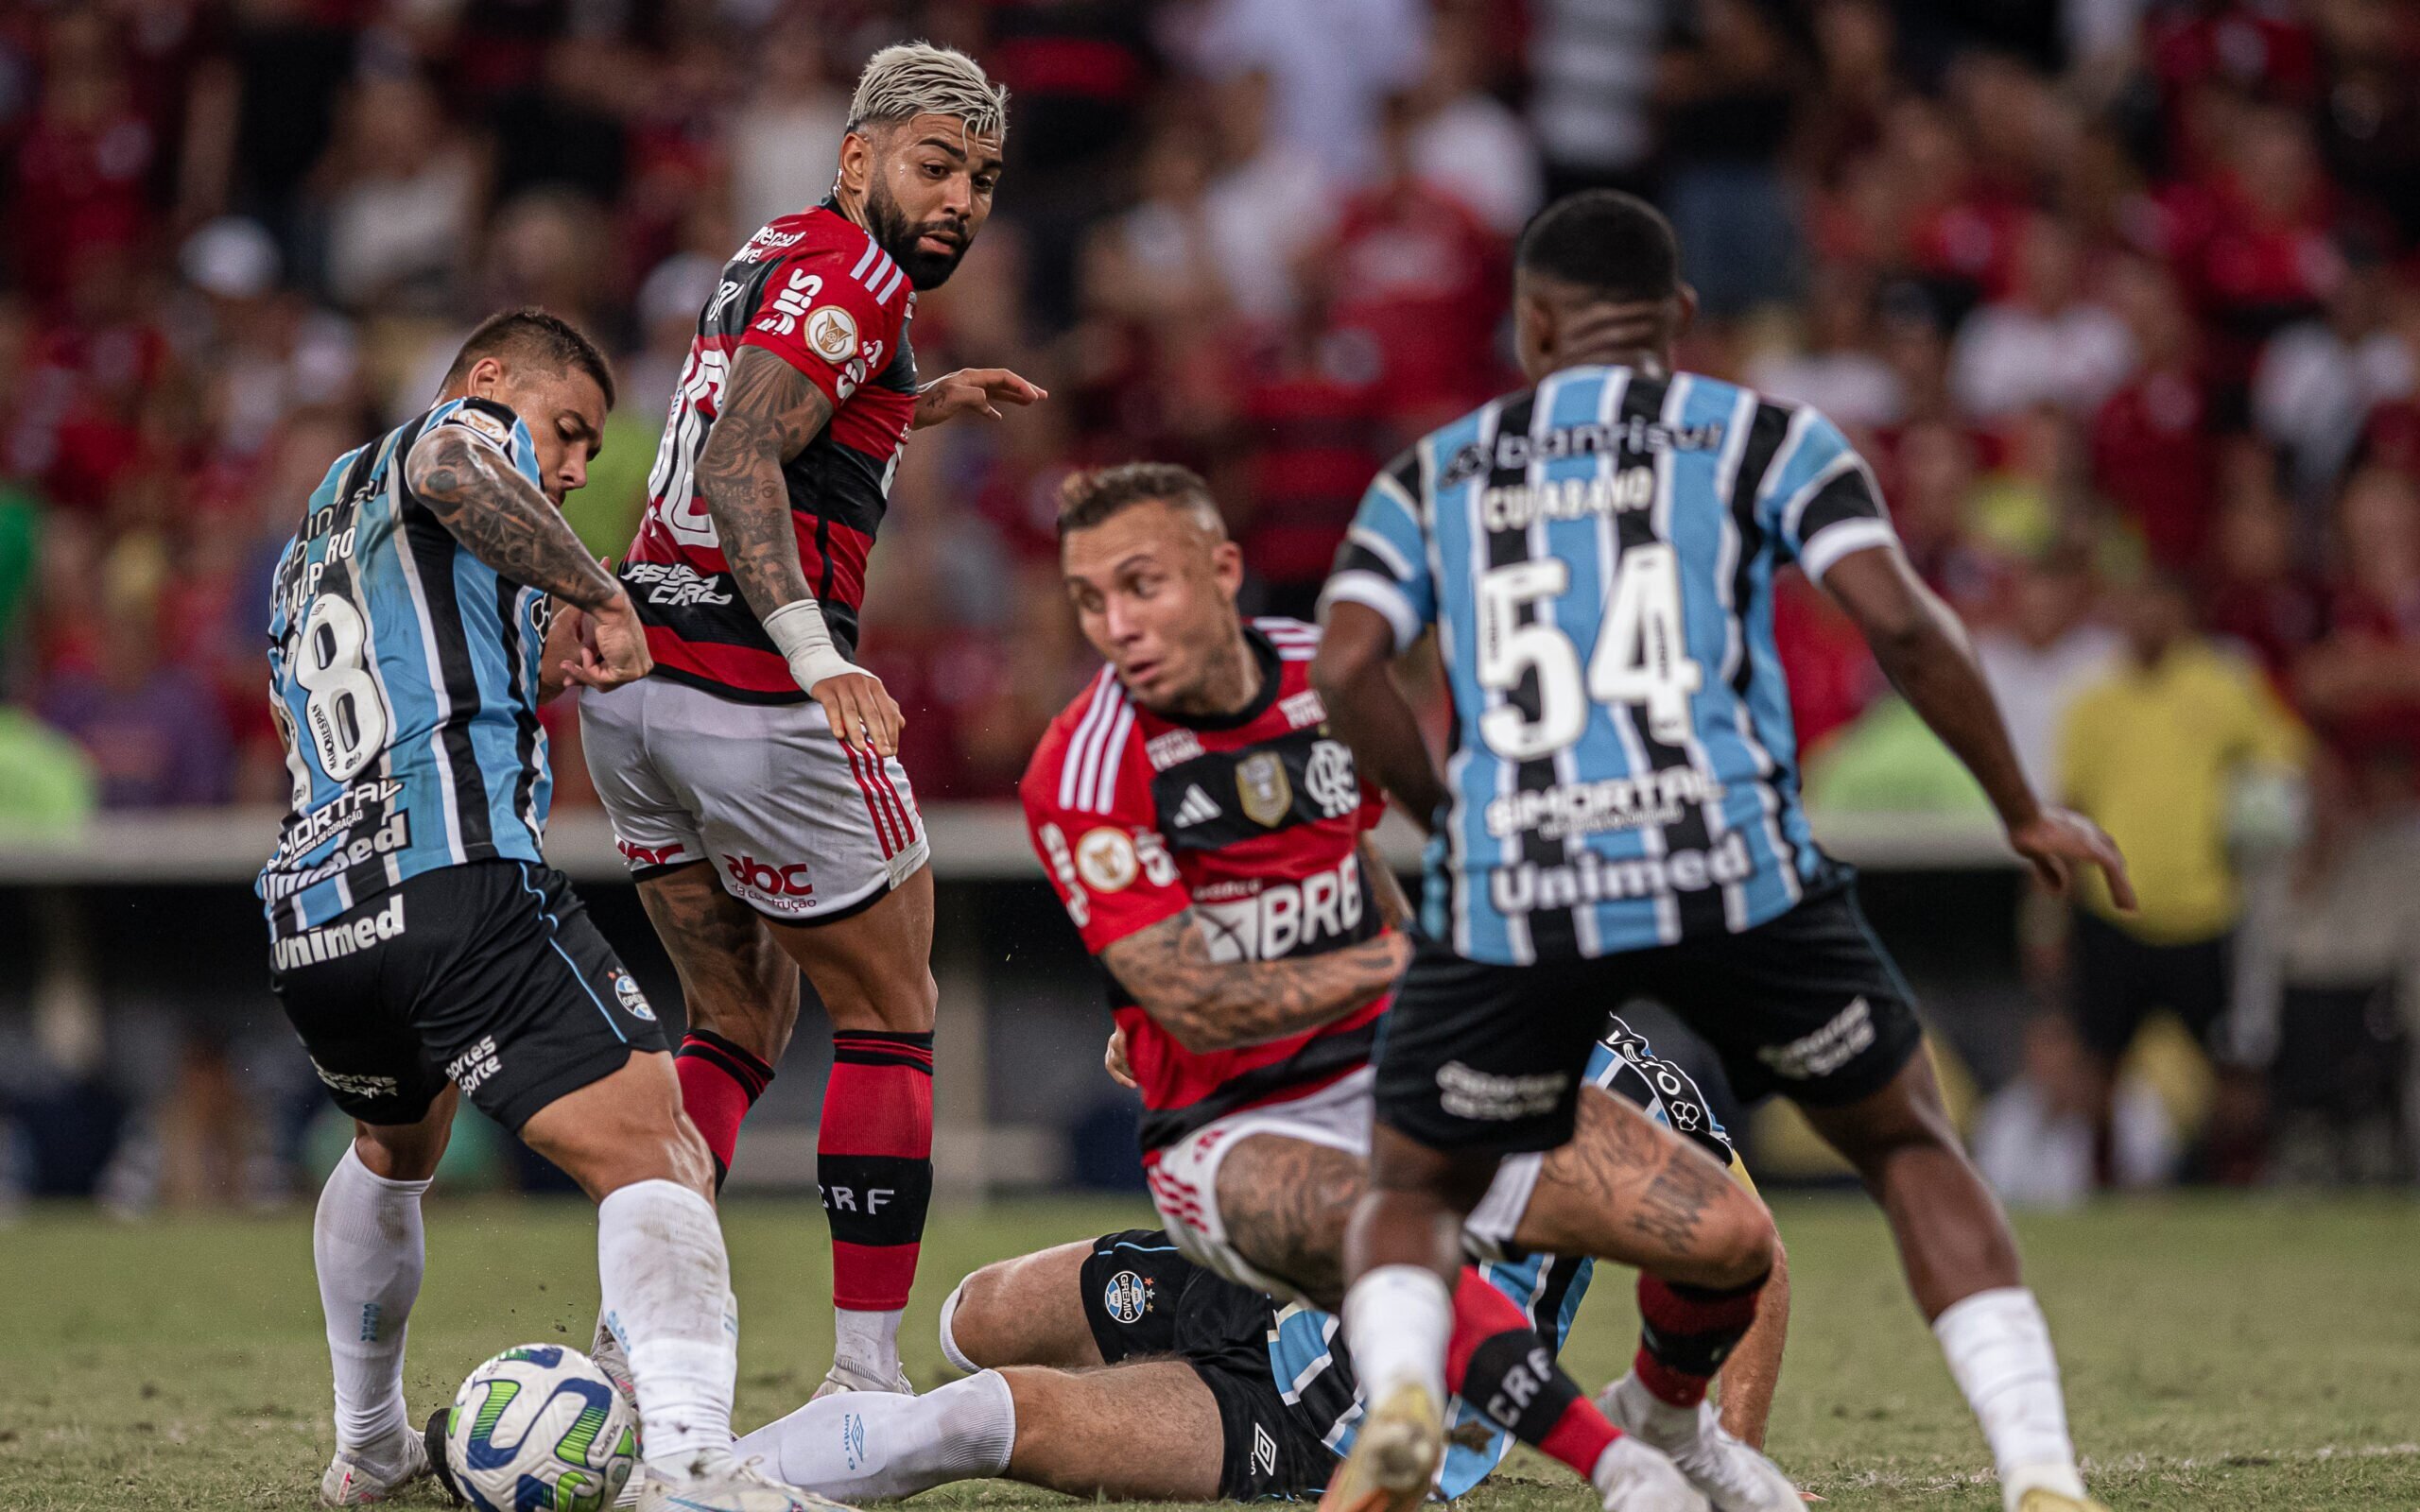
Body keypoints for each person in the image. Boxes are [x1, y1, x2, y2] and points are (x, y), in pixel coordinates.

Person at [1310, 190, 2136, 1512]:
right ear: (1681, 321)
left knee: (1412, 1177)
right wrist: (2020, 806)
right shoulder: (1765, 433)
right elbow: (1908, 625)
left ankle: (1406, 1392)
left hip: (1522, 879)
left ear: (1530, 326)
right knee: (1912, 1146)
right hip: (1731, 863)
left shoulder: (1436, 470)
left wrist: (1454, 810)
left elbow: (1347, 667)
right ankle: (2039, 1469)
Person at [1016, 463, 1795, 1512]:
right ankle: (829, 1400)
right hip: (1233, 1142)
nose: (1116, 625)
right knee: (982, 1324)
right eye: (1090, 600)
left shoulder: (1325, 691)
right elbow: (1192, 995)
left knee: (1717, 1238)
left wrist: (1722, 1440)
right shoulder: (1082, 765)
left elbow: (1359, 853)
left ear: (1222, 574)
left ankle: (1655, 1438)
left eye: (1140, 586)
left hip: (1372, 1155)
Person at [260, 310, 830, 1512]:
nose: (570, 469)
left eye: (583, 453)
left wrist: (536, 633)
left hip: (316, 912)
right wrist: (594, 584)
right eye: (564, 430)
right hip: (452, 878)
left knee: (394, 1147)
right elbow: (457, 465)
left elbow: (402, 669)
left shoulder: (320, 518)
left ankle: (367, 1449)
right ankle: (686, 1461)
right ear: (485, 379)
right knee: (657, 1145)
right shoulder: (457, 435)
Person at [578, 43, 1045, 1399]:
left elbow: (768, 407)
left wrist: (916, 400)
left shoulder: (776, 247)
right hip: (753, 692)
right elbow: (739, 458)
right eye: (935, 165)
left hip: (637, 691)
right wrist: (812, 655)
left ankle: (624, 1357)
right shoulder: (859, 274)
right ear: (858, 159)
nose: (962, 199)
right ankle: (862, 1380)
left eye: (984, 177)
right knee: (893, 1007)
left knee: (731, 1023)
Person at [735, 1019, 1752, 1503]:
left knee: (975, 1414)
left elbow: (1754, 1245)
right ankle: (1125, 1401)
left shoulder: (1636, 1087)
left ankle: (706, 1478)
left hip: (1336, 1402)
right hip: (1260, 1274)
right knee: (971, 1317)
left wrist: (1716, 1446)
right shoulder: (1410, 972)